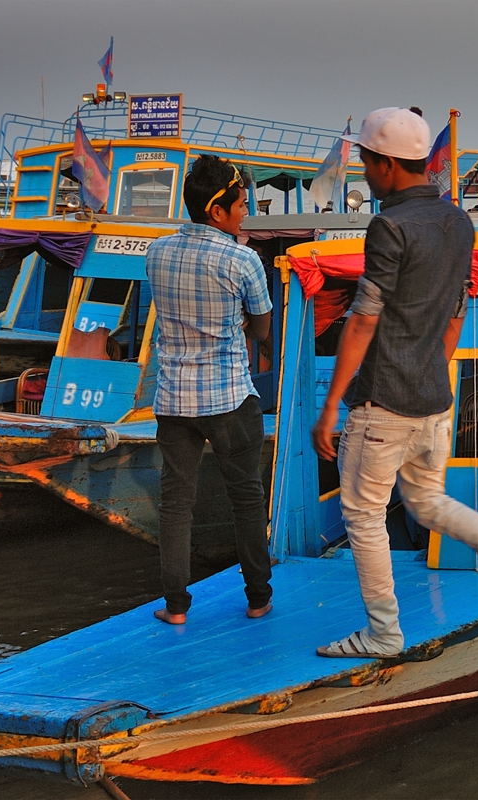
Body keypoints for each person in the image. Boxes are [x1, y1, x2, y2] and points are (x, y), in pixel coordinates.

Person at [311, 107, 478, 658]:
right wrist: (433, 370)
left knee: (363, 515)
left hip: (384, 402)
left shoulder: (389, 226)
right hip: (434, 400)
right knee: (426, 503)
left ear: (387, 166)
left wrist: (331, 405)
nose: (364, 171)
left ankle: (382, 633)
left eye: (368, 162)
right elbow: (455, 312)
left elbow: (364, 315)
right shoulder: (459, 222)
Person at [145, 155, 275, 624]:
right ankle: (258, 599)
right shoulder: (243, 260)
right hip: (229, 399)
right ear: (218, 211)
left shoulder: (156, 252)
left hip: (174, 400)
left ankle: (176, 608)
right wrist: (237, 322)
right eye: (242, 204)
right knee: (246, 497)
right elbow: (262, 329)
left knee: (177, 504)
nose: (246, 212)